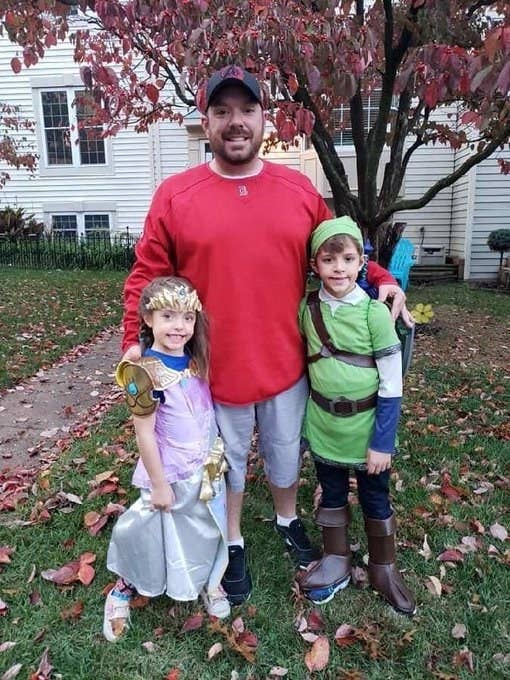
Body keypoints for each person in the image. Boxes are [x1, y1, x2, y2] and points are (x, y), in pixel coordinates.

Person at [121, 65, 409, 605]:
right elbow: (146, 274)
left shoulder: (296, 190)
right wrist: (132, 344)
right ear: (206, 121)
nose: (236, 122)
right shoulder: (176, 195)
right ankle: (231, 542)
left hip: (285, 364)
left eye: (246, 110)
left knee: (282, 456)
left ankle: (284, 519)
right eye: (223, 111)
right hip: (210, 370)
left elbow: (339, 249)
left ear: (263, 120)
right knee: (223, 465)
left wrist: (384, 279)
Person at [298, 216, 416, 616]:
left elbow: (391, 384)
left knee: (374, 497)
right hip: (325, 426)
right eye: (329, 260)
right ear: (315, 265)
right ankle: (336, 558)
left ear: (362, 263)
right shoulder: (307, 308)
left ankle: (383, 568)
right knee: (331, 494)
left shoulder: (374, 314)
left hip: (367, 432)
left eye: (348, 259)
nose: (339, 269)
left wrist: (382, 441)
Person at [103, 276, 230, 642]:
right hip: (168, 471)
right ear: (147, 318)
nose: (179, 326)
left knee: (205, 528)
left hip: (203, 467)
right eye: (168, 316)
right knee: (150, 530)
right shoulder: (142, 373)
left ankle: (210, 581)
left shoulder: (195, 361)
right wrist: (158, 483)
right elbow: (144, 433)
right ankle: (124, 588)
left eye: (187, 318)